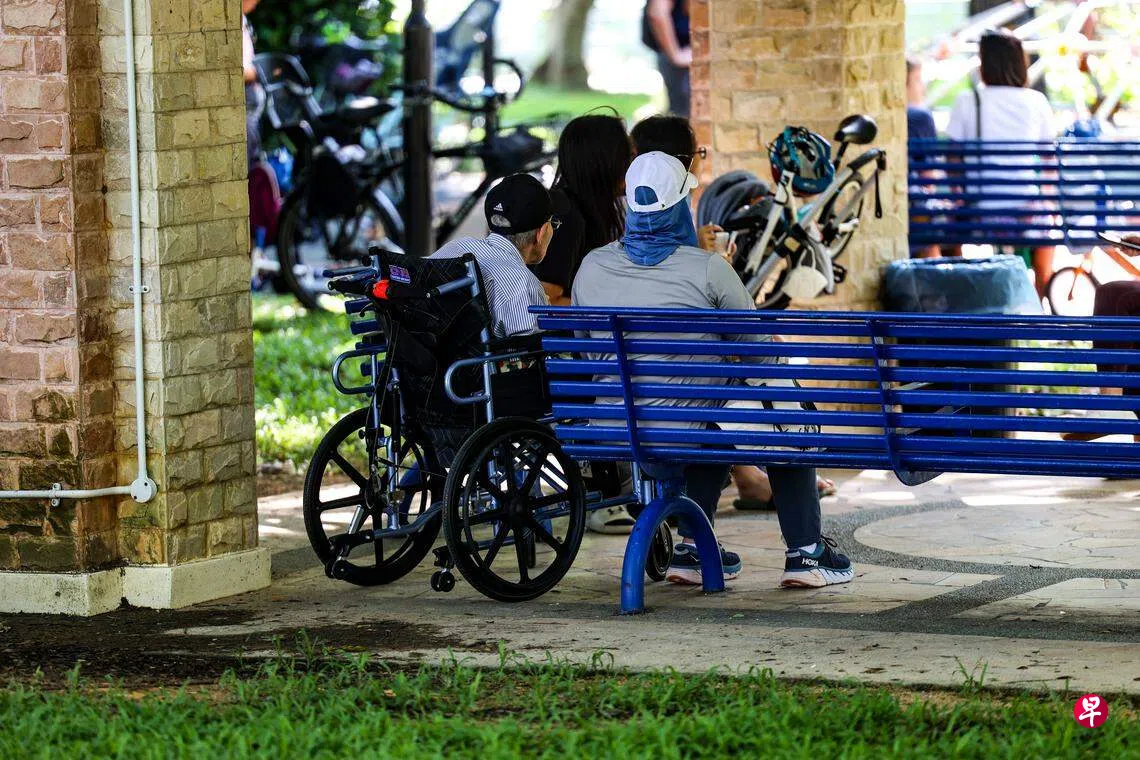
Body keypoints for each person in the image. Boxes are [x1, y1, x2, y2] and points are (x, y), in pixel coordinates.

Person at [572, 151, 855, 589]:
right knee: (785, 405)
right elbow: (760, 355)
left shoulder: (592, 266)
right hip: (688, 423)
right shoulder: (706, 268)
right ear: (678, 208)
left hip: (614, 426)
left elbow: (587, 353)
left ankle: (692, 549)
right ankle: (806, 552)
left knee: (710, 414)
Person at [630, 114, 837, 510]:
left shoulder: (598, 264)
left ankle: (702, 529)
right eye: (699, 153)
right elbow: (754, 346)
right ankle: (803, 541)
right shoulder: (701, 263)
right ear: (682, 164)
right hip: (689, 405)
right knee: (779, 395)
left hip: (614, 414)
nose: (702, 158)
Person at [945, 28, 1057, 297]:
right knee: (1048, 227)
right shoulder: (1036, 101)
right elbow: (1049, 160)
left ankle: (960, 294)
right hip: (1026, 212)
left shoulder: (967, 100)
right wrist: (1049, 203)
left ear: (985, 63)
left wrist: (958, 195)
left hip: (980, 211)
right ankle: (1041, 291)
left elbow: (952, 158)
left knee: (949, 225)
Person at [430, 174, 554, 338]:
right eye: (553, 224)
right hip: (476, 356)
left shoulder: (454, 248)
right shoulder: (523, 285)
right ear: (541, 233)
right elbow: (537, 351)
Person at [533, 113, 632, 307]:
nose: (634, 166)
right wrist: (609, 310)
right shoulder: (566, 216)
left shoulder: (581, 207)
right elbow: (546, 301)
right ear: (605, 164)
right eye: (628, 157)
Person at [907, 56, 943, 260]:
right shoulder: (920, 117)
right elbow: (928, 178)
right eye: (917, 80)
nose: (922, 88)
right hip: (915, 208)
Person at [642, 0, 691, 118]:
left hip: (683, 53)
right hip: (679, 55)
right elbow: (657, 13)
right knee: (683, 114)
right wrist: (676, 55)